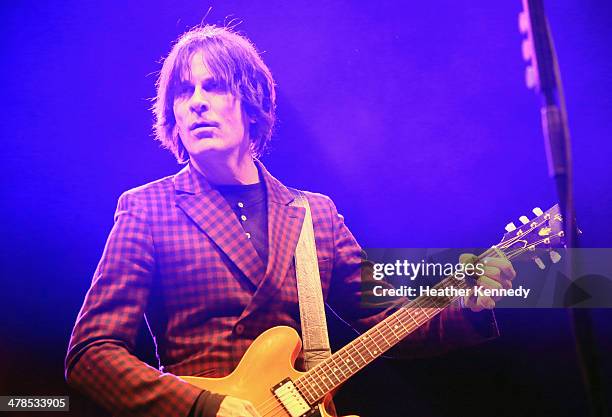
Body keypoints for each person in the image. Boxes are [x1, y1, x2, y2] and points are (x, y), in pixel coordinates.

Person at [65, 25, 515, 417]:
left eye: (215, 86)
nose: (197, 103)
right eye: (184, 91)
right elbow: (91, 354)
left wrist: (471, 307)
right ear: (173, 116)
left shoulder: (313, 213)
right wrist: (200, 407)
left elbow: (390, 324)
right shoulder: (148, 208)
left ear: (251, 100)